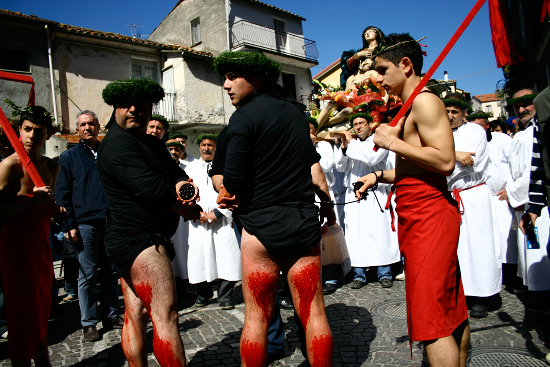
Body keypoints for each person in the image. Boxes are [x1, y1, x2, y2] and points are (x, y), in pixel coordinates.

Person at [212, 50, 334, 367]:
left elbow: (234, 181)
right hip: (302, 224)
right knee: (313, 312)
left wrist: (225, 193)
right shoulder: (296, 114)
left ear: (256, 78)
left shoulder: (243, 118)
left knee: (257, 317)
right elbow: (312, 165)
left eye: (231, 77)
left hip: (260, 230)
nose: (226, 85)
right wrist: (328, 204)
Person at [356, 33, 469, 367]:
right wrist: (377, 176)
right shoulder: (408, 105)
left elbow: (445, 161)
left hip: (430, 217)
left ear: (406, 65)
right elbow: (415, 167)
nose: (376, 78)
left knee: (432, 322)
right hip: (416, 215)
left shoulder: (425, 101)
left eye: (382, 68)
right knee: (449, 310)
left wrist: (392, 144)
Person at [96, 78, 201, 367]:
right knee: (166, 315)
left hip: (138, 237)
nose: (134, 111)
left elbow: (174, 171)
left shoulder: (153, 143)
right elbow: (150, 190)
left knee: (135, 313)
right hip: (139, 239)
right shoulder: (116, 145)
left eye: (141, 106)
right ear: (115, 108)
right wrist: (184, 209)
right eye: (127, 105)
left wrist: (182, 185)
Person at [55, 110, 123, 342]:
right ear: (77, 129)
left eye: (91, 123)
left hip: (109, 221)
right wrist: (69, 225)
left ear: (98, 126)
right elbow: (62, 194)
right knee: (87, 275)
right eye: (83, 124)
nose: (87, 128)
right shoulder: (69, 157)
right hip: (85, 224)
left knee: (110, 272)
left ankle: (112, 315)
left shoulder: (107, 152)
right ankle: (89, 322)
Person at [0, 105, 59, 367]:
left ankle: (43, 359)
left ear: (47, 135)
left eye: (39, 131)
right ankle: (21, 362)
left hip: (42, 248)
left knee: (41, 308)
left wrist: (54, 208)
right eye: (27, 129)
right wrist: (33, 201)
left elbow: (47, 208)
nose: (32, 136)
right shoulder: (8, 166)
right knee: (20, 312)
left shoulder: (52, 167)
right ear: (18, 131)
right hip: (16, 249)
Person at [443, 94, 502, 318]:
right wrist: (455, 157)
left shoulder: (475, 131)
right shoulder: (440, 132)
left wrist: (447, 163)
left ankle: (482, 295)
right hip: (450, 195)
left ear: (464, 113)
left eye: (454, 112)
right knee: (456, 248)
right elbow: (439, 162)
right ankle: (461, 293)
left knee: (479, 246)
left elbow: (474, 165)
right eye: (446, 111)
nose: (449, 116)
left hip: (473, 196)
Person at [335, 113, 399, 289]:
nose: (358, 127)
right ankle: (359, 274)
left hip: (374, 193)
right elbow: (340, 167)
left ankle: (384, 272)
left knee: (379, 233)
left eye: (362, 123)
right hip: (353, 196)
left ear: (370, 124)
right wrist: (343, 148)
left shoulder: (379, 141)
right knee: (356, 235)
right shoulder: (351, 145)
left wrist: (351, 144)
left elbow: (371, 158)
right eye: (355, 124)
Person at [186, 133, 241, 310]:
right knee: (199, 257)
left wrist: (218, 212)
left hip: (223, 220)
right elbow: (185, 190)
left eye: (210, 145)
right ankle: (203, 293)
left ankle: (225, 295)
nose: (206, 148)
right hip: (198, 221)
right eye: (203, 145)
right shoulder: (191, 168)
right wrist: (196, 213)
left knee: (227, 256)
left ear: (215, 148)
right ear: (199, 147)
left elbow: (232, 190)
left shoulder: (225, 166)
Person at [468, 111, 517, 289]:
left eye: (480, 126)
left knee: (506, 239)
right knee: (484, 241)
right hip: (480, 197)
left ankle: (511, 277)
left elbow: (515, 163)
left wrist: (510, 189)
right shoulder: (470, 141)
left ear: (487, 126)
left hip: (500, 197)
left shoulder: (501, 140)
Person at [509, 89, 550, 291]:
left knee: (539, 244)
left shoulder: (538, 130)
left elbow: (535, 169)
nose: (522, 109)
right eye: (517, 106)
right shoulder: (522, 132)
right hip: (522, 198)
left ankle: (542, 290)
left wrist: (513, 192)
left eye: (527, 104)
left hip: (536, 199)